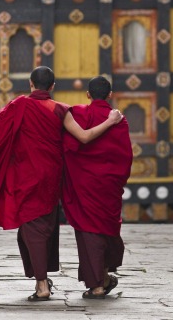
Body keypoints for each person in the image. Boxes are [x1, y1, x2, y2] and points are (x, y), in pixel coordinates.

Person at [0, 67, 122, 302]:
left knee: (31, 228)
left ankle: (42, 285)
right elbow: (84, 137)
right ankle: (45, 281)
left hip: (25, 176)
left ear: (31, 84)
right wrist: (110, 121)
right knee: (46, 227)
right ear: (52, 87)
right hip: (50, 177)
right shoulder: (60, 109)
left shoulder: (17, 105)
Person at [61, 75, 133, 299]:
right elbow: (126, 157)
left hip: (84, 185)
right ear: (110, 95)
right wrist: (117, 181)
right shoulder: (119, 120)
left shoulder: (78, 114)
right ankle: (102, 278)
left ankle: (98, 285)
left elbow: (66, 148)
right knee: (105, 228)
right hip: (108, 186)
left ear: (88, 95)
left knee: (89, 233)